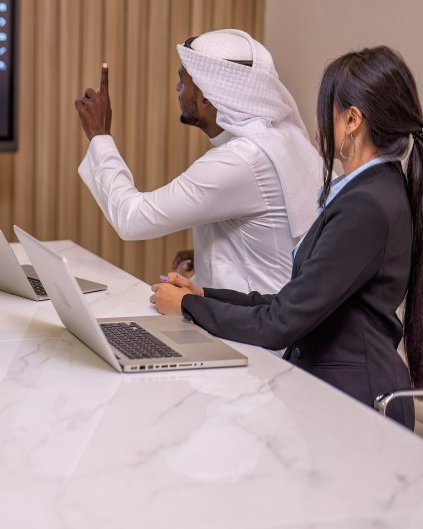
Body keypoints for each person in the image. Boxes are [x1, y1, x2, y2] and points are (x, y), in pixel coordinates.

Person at [152, 46, 422, 429]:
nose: (316, 123)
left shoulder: (368, 205)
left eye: (324, 110)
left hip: (355, 406)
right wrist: (203, 295)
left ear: (352, 120)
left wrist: (187, 308)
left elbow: (280, 323)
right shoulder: (371, 191)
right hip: (337, 393)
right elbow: (292, 301)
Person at [75, 29, 322, 293]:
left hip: (251, 331)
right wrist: (208, 254)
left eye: (183, 80)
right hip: (266, 317)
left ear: (206, 97)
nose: (177, 88)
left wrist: (100, 136)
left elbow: (132, 218)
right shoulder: (280, 138)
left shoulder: (241, 161)